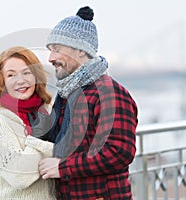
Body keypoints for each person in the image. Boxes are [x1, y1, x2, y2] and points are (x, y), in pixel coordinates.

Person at [36, 6, 138, 200]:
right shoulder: (68, 93)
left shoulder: (109, 93)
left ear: (81, 51)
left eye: (57, 49)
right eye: (50, 50)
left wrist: (62, 167)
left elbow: (119, 152)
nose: (50, 58)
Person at [0, 46, 56, 200]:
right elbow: (20, 176)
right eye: (11, 75)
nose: (21, 81)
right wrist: (52, 146)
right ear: (2, 81)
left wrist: (33, 147)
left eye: (27, 73)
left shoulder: (48, 109)